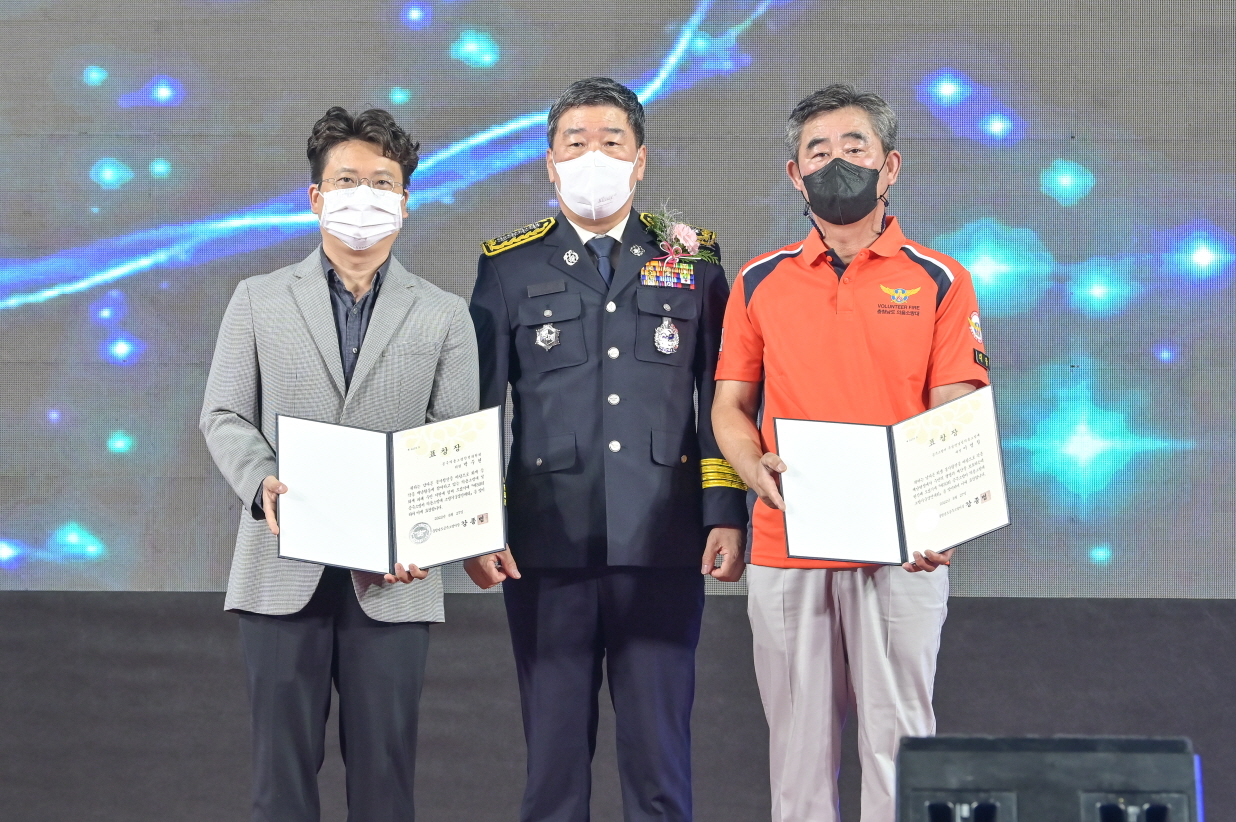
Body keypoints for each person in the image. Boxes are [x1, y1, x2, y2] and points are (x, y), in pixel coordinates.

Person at [465, 77, 748, 822]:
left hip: (663, 541)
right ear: (551, 163)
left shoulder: (692, 258)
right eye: (576, 142)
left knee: (660, 767)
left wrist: (725, 511)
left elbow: (720, 397)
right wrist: (478, 525)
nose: (594, 155)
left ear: (640, 159)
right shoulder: (510, 266)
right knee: (553, 772)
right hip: (545, 548)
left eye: (612, 141)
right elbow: (480, 410)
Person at [711, 84, 991, 822]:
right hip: (786, 542)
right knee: (796, 756)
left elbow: (956, 411)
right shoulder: (759, 280)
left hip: (901, 550)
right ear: (795, 174)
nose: (836, 162)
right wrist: (752, 469)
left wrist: (938, 517)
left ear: (889, 165)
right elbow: (730, 407)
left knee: (901, 747)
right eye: (818, 151)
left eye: (854, 147)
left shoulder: (940, 278)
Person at [199, 106, 478, 822]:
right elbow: (224, 414)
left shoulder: (445, 314)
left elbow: (452, 438)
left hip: (393, 580)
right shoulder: (258, 299)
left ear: (405, 201)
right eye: (347, 181)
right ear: (316, 197)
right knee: (280, 784)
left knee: (386, 783)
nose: (365, 197)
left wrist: (419, 535)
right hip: (279, 569)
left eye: (382, 183)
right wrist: (261, 482)